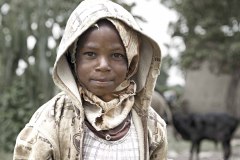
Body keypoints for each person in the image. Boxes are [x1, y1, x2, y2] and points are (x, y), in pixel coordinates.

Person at [13, 0, 168, 159]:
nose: (103, 65)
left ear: (131, 63)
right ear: (73, 59)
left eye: (117, 55)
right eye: (90, 54)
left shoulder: (150, 124)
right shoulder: (50, 120)